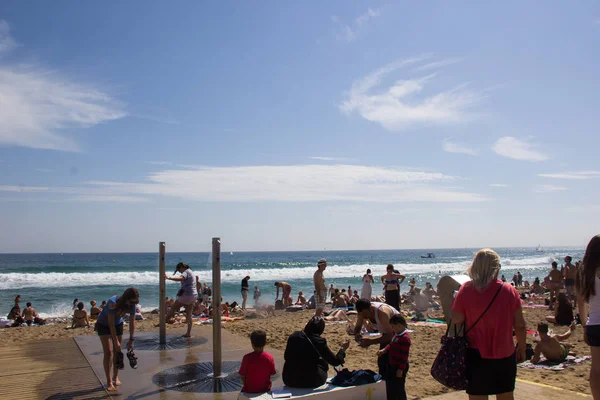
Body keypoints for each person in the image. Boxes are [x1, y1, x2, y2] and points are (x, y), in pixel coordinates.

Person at [451, 249, 526, 399]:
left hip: (476, 353)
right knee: (505, 395)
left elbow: (456, 319)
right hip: (505, 352)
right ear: (496, 268)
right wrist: (522, 348)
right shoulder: (509, 290)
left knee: (478, 396)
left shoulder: (466, 289)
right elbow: (520, 325)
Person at [282, 316, 349, 388]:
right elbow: (335, 362)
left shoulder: (293, 336)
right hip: (312, 381)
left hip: (289, 379)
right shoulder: (319, 341)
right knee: (323, 361)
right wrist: (342, 349)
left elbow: (286, 356)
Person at [353, 299, 400, 397]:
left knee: (394, 367)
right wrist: (357, 335)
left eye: (366, 314)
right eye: (362, 315)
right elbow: (357, 327)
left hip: (398, 335)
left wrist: (370, 342)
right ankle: (385, 391)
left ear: (370, 308)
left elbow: (390, 336)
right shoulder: (362, 313)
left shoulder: (382, 313)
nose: (365, 317)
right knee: (382, 363)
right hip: (386, 333)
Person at [96, 288, 139, 392]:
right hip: (103, 324)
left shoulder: (132, 305)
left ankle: (115, 377)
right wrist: (116, 341)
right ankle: (109, 381)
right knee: (108, 352)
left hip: (118, 324)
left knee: (117, 352)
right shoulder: (113, 302)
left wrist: (131, 339)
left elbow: (132, 322)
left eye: (135, 302)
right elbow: (110, 324)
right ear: (126, 299)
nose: (133, 304)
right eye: (132, 301)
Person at [576, 234, 600, 400]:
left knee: (596, 368)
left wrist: (584, 325)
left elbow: (581, 302)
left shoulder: (585, 273)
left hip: (594, 324)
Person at [377, 315, 410, 400]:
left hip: (399, 366)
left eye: (393, 326)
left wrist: (401, 369)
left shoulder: (405, 339)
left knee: (399, 388)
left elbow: (404, 356)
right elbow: (391, 344)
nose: (392, 328)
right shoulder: (396, 335)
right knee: (392, 386)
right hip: (392, 364)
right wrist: (384, 350)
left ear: (399, 325)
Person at [165, 262, 197, 338]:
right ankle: (188, 333)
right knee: (189, 314)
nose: (180, 272)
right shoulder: (191, 271)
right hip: (193, 295)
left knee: (173, 308)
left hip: (187, 295)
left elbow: (181, 278)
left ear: (182, 267)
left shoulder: (186, 272)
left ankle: (163, 322)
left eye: (179, 270)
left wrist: (168, 278)